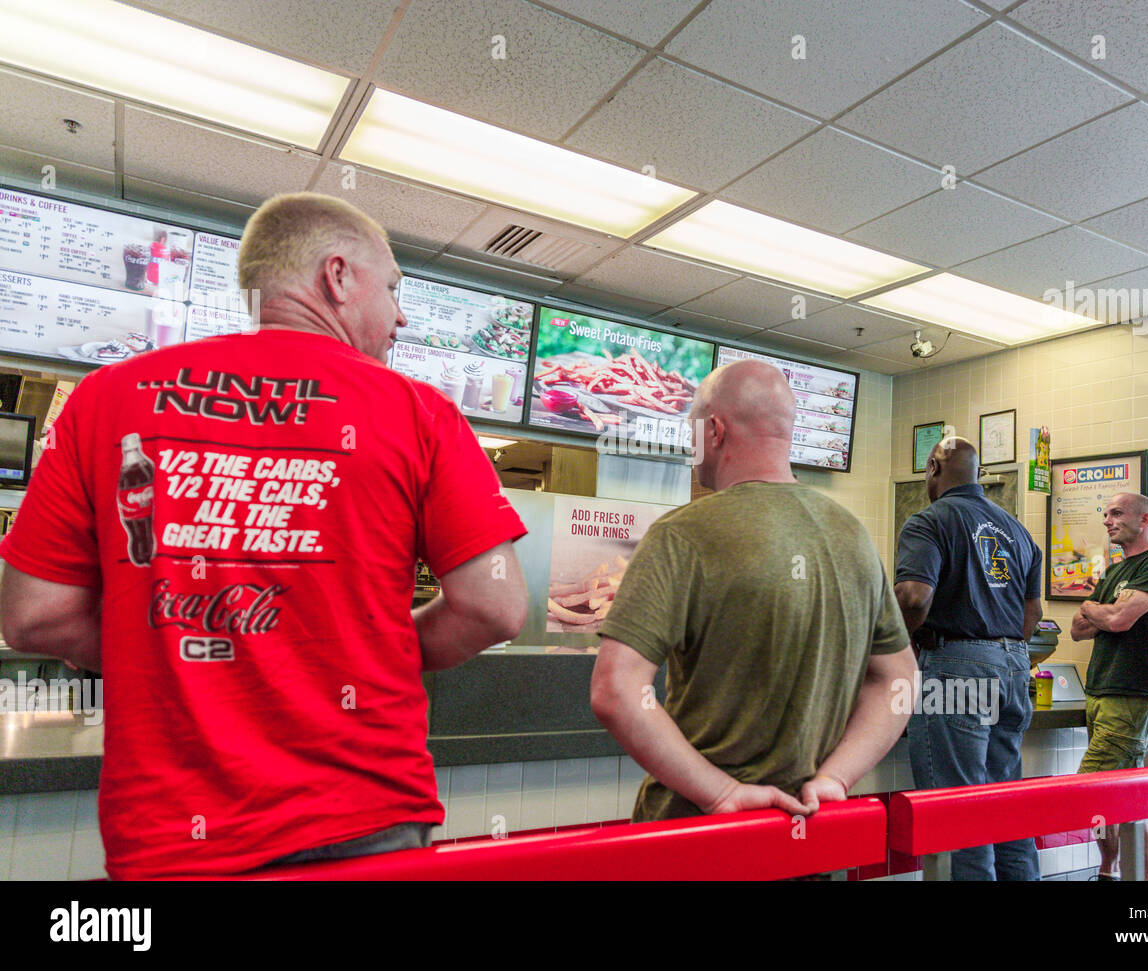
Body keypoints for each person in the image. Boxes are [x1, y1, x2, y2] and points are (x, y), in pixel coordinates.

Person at [0, 193, 528, 878]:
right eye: (395, 288)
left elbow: (32, 615)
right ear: (338, 277)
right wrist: (375, 649)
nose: (401, 316)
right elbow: (497, 606)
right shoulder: (419, 413)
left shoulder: (105, 397)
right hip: (363, 818)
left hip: (172, 833)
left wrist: (153, 649)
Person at [590, 359, 917, 825]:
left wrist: (722, 793)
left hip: (696, 839)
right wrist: (835, 780)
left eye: (693, 428)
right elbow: (899, 680)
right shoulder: (853, 535)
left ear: (716, 430)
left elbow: (615, 691)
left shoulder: (681, 534)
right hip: (811, 835)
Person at [894, 436, 1043, 881]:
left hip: (955, 669)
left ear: (933, 469)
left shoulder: (928, 521)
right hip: (1015, 667)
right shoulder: (1018, 530)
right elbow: (1031, 615)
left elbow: (915, 597)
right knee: (1005, 805)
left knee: (958, 808)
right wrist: (1001, 656)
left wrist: (897, 646)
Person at [1070, 492, 1148, 881]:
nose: (1107, 521)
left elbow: (1117, 620)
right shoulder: (1117, 570)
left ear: (1145, 519)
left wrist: (1094, 608)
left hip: (1133, 693)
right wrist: (1098, 612)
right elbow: (1078, 629)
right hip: (1101, 690)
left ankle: (1122, 872)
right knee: (1120, 793)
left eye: (1117, 513)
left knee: (1090, 789)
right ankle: (1113, 870)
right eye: (1106, 514)